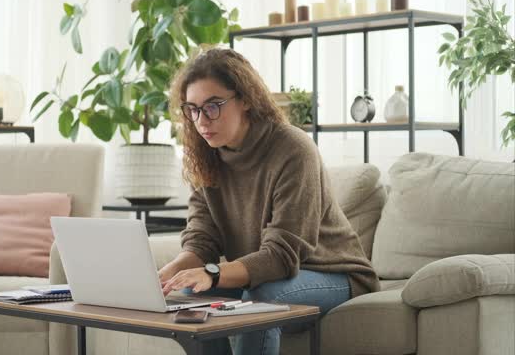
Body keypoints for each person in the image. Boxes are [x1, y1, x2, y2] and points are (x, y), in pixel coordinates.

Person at [160, 47, 380, 355]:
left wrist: (212, 273)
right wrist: (164, 276)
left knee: (260, 296)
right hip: (267, 272)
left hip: (334, 274)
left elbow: (281, 255)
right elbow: (201, 243)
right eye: (192, 109)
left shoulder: (293, 149)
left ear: (246, 99)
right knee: (189, 295)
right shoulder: (206, 157)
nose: (201, 120)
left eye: (213, 106)